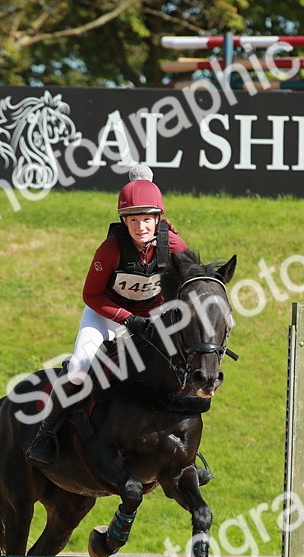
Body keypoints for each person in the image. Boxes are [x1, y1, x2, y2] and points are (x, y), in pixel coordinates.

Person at [26, 166, 188, 468]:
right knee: (77, 369)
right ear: (124, 221)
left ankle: (185, 450)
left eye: (147, 219)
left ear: (158, 219)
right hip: (108, 315)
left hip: (153, 318)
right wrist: (128, 319)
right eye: (134, 220)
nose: (141, 227)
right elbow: (92, 295)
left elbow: (190, 283)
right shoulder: (111, 248)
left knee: (179, 368)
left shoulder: (175, 246)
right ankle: (46, 433)